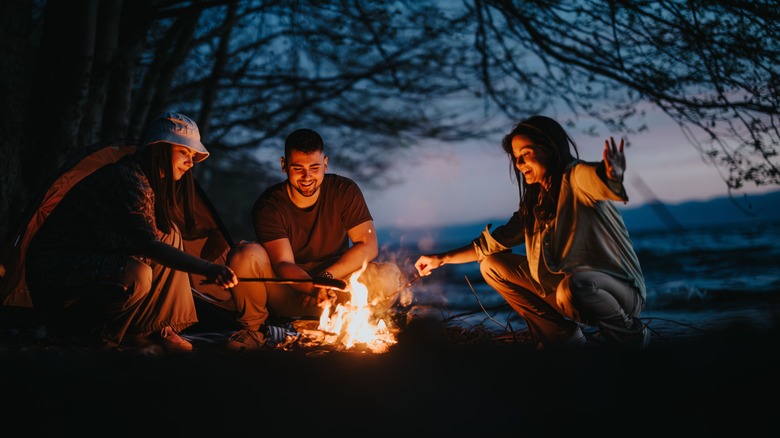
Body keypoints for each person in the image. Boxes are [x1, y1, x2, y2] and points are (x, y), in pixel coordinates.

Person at [414, 115, 648, 349]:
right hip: (570, 291)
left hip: (619, 293)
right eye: (516, 158)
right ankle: (562, 338)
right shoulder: (535, 202)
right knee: (490, 264)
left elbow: (597, 179)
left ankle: (632, 338)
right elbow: (488, 245)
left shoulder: (576, 177)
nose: (519, 163)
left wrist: (610, 174)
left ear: (550, 148)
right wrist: (440, 259)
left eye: (526, 154)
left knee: (574, 286)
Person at [25, 112, 238, 352]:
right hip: (56, 275)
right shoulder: (126, 180)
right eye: (184, 152)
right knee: (136, 274)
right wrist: (207, 268)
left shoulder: (146, 181)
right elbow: (148, 245)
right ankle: (89, 335)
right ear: (160, 148)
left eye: (192, 156)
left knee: (169, 232)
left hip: (87, 265)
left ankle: (154, 328)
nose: (190, 162)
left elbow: (155, 238)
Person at [225, 128, 402, 351]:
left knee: (388, 276)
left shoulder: (343, 191)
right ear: (283, 165)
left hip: (336, 289)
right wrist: (313, 286)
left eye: (314, 168)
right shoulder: (270, 205)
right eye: (298, 168)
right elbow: (283, 263)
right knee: (244, 255)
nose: (307, 177)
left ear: (325, 163)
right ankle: (254, 331)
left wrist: (326, 279)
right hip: (288, 290)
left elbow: (368, 245)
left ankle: (357, 326)